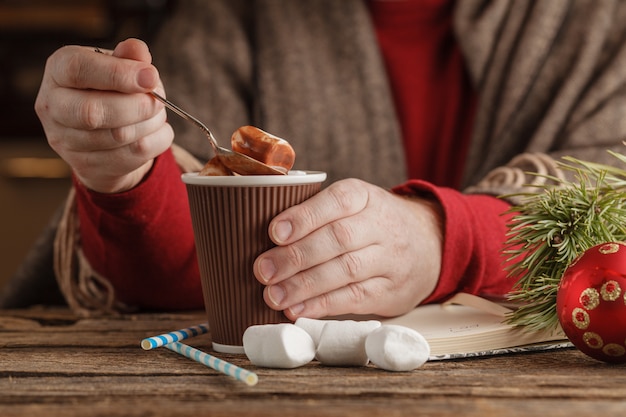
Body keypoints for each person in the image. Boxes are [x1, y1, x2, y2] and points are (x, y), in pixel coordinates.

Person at [7, 0, 626, 318]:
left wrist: (444, 240)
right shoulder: (228, 21)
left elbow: (612, 214)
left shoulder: (603, 24)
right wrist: (125, 175)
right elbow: (192, 271)